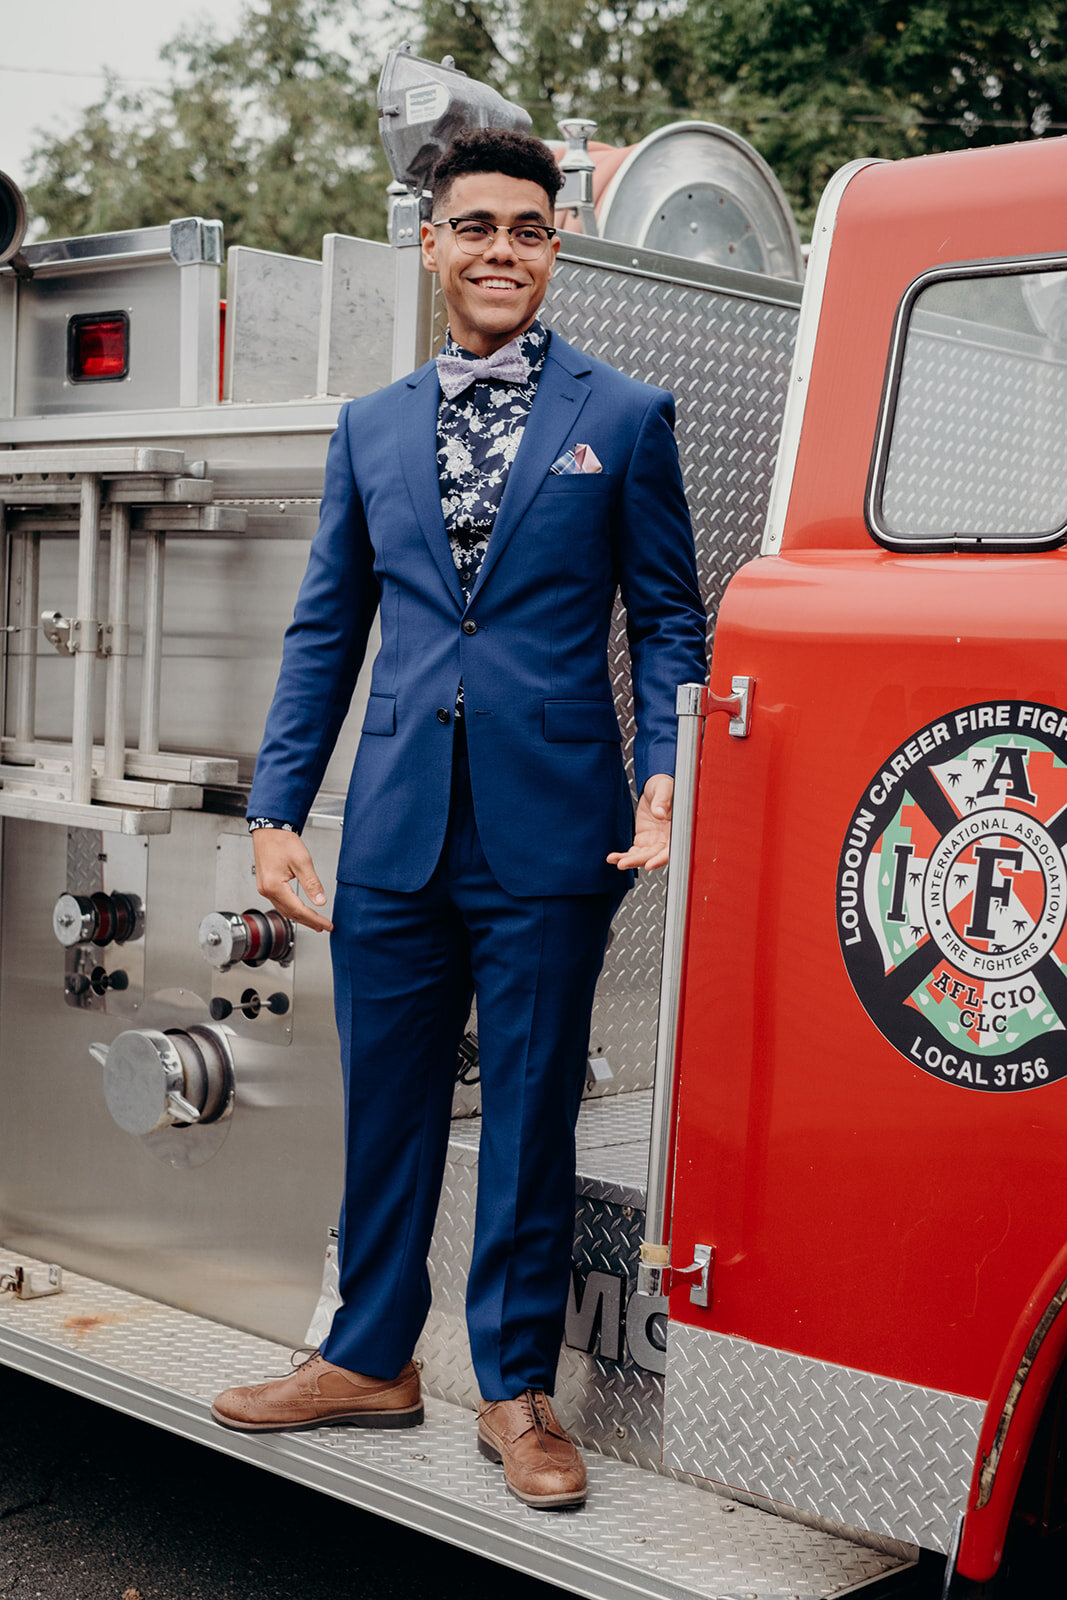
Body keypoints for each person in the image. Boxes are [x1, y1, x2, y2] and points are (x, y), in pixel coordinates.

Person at [211, 127, 706, 1509]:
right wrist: (276, 809)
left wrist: (675, 765)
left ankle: (514, 1391)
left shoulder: (625, 416)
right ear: (430, 242)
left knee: (535, 1111)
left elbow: (671, 616)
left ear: (556, 249)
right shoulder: (370, 428)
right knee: (386, 1105)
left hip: (555, 830)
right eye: (476, 225)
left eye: (529, 229)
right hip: (397, 827)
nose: (502, 249)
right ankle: (370, 1356)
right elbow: (326, 632)